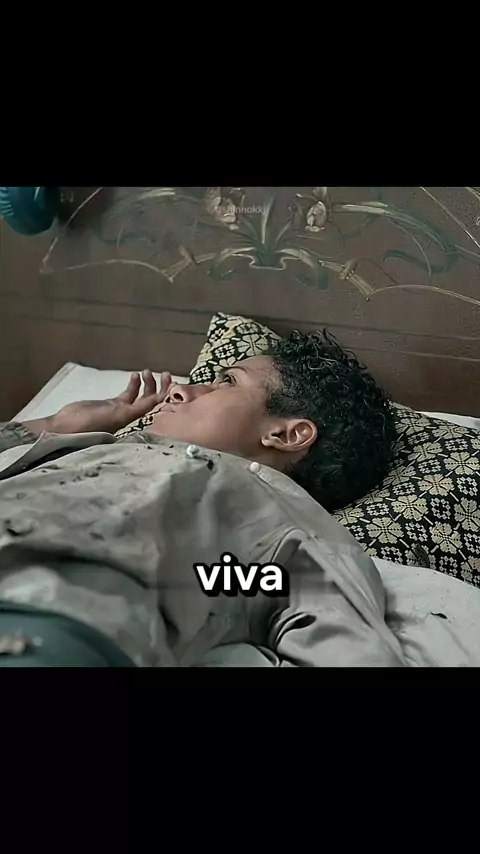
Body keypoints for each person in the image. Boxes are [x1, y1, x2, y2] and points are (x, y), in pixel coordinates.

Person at [0, 330, 404, 667]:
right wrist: (53, 424)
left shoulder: (276, 523)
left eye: (227, 381)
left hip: (38, 618)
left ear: (285, 433)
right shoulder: (84, 446)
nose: (178, 390)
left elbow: (349, 650)